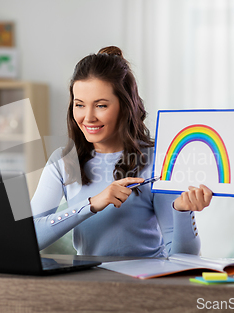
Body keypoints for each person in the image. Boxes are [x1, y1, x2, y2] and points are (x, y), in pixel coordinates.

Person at [31, 46, 212, 257]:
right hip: (88, 284)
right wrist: (92, 204)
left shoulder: (158, 161)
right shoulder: (62, 162)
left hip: (146, 283)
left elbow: (184, 257)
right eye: (79, 105)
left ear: (125, 107)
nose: (88, 117)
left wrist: (183, 211)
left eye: (101, 106)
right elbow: (29, 236)